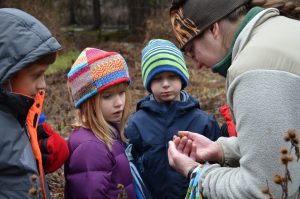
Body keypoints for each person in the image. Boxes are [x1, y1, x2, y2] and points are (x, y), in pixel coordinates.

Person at [167, 0, 300, 198]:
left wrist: (196, 173)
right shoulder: (284, 30)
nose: (197, 66)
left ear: (213, 29)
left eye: (192, 52)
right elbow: (289, 138)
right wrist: (221, 149)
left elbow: (267, 189)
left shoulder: (255, 66)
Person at [125, 39, 221, 199]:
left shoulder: (203, 122)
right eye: (157, 78)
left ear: (182, 78)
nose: (165, 84)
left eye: (172, 76)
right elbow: (131, 168)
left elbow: (218, 163)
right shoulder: (137, 123)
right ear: (148, 82)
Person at [0, 8, 69, 199]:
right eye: (36, 75)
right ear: (6, 76)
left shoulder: (18, 115)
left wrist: (38, 152)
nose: (43, 84)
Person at [64, 47, 136, 199]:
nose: (119, 103)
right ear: (87, 102)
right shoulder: (91, 147)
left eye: (122, 92)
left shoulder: (108, 131)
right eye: (107, 96)